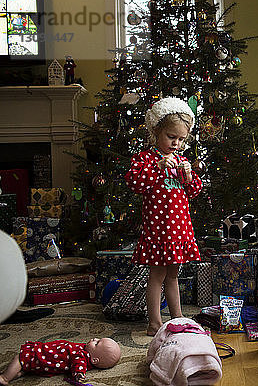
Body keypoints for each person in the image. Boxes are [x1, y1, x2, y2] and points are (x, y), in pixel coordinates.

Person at [125, 97, 203, 336]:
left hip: (179, 230)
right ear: (157, 131)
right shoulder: (146, 159)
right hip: (159, 230)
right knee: (157, 275)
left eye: (180, 139)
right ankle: (154, 323)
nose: (176, 144)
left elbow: (192, 191)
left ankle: (177, 318)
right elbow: (135, 182)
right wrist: (158, 166)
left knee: (173, 275)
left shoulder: (181, 160)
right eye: (171, 137)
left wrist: (189, 176)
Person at [0, 337, 121, 384]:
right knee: (26, 366)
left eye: (97, 343)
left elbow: (79, 365)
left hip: (43, 355)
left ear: (94, 360)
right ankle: (20, 373)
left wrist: (79, 374)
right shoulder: (84, 349)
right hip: (46, 354)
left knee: (21, 357)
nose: (95, 338)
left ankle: (5, 378)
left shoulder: (82, 356)